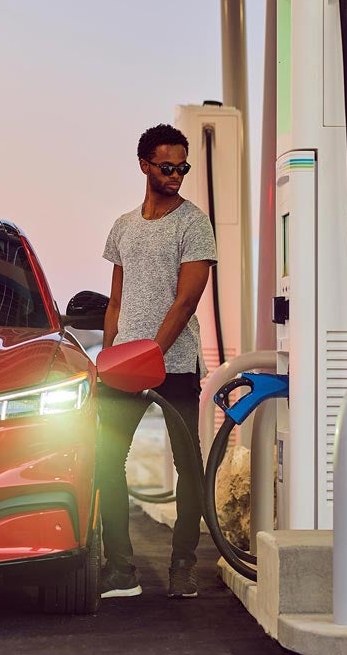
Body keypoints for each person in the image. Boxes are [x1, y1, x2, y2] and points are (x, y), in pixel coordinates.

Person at [97, 123, 217, 599]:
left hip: (176, 363)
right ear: (145, 164)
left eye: (183, 167)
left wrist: (152, 354)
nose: (176, 175)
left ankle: (183, 565)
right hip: (124, 366)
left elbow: (186, 301)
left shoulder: (194, 223)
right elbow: (115, 304)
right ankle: (121, 569)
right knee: (106, 461)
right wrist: (108, 357)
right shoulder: (123, 227)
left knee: (189, 465)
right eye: (167, 166)